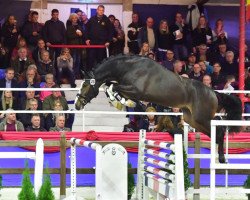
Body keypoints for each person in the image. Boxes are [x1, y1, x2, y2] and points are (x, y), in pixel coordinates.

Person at [85, 5, 113, 73]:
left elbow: (110, 31)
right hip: (92, 43)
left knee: (100, 60)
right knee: (90, 59)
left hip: (102, 44)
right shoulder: (92, 19)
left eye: (102, 10)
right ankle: (89, 74)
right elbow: (86, 30)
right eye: (100, 10)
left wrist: (108, 41)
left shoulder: (106, 20)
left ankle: (100, 76)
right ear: (97, 10)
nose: (101, 12)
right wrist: (87, 39)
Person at [66, 13, 84, 78]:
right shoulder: (69, 26)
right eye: (73, 18)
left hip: (79, 46)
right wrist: (77, 34)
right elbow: (69, 36)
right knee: (73, 61)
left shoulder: (79, 26)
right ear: (71, 19)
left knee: (78, 61)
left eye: (76, 18)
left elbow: (82, 35)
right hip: (72, 46)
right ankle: (72, 74)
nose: (74, 19)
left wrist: (81, 34)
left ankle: (77, 74)